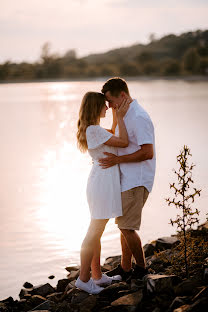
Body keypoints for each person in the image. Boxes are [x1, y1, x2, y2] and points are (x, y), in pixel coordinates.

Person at [99, 77, 156, 281]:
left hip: (137, 180)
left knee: (126, 227)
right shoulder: (124, 114)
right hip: (126, 179)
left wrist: (117, 160)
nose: (109, 106)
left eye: (111, 101)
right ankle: (125, 268)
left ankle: (141, 269)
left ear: (122, 95)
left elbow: (147, 152)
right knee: (124, 225)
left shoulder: (139, 116)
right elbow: (116, 136)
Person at [75, 91, 130, 294]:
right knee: (94, 231)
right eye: (104, 105)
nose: (107, 107)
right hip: (101, 184)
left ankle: (96, 276)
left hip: (103, 181)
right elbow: (123, 141)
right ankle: (83, 278)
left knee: (97, 230)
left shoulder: (94, 129)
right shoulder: (94, 131)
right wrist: (122, 117)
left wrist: (116, 116)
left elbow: (113, 133)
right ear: (95, 107)